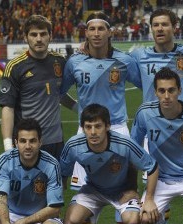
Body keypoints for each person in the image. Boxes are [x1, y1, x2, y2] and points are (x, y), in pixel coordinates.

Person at [129, 8, 183, 224]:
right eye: (156, 25)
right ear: (151, 28)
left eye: (165, 24)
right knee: (154, 194)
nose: (160, 29)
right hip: (155, 129)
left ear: (175, 27)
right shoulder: (139, 56)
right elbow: (139, 81)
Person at [61, 11, 142, 194]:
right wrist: (78, 109)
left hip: (118, 128)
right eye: (92, 29)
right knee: (83, 192)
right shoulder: (74, 62)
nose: (96, 33)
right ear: (86, 33)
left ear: (109, 32)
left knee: (125, 190)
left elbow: (147, 86)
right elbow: (59, 94)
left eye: (100, 29)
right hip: (86, 130)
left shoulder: (124, 61)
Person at [131, 67, 183, 224]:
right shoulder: (145, 114)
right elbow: (133, 150)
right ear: (155, 92)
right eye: (161, 91)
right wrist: (134, 189)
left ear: (180, 90)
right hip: (160, 179)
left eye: (171, 90)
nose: (166, 96)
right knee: (145, 219)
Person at [60, 104, 159, 224]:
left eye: (98, 126)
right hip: (93, 190)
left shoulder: (124, 143)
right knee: (70, 221)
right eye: (88, 127)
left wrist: (147, 198)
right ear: (82, 128)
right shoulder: (73, 146)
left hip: (122, 191)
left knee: (133, 220)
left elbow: (152, 167)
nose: (93, 132)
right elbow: (62, 175)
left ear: (107, 126)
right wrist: (57, 203)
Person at [0, 15, 77, 160]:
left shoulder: (59, 61)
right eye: (33, 34)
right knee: (28, 182)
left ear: (50, 36)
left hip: (56, 141)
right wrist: (8, 146)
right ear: (25, 38)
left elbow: (58, 94)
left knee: (59, 181)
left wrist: (80, 110)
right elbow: (7, 108)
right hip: (28, 143)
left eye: (43, 34)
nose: (39, 39)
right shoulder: (15, 67)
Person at [0, 118, 64, 224]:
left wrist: (22, 222)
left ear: (40, 142)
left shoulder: (51, 165)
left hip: (42, 218)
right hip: (11, 215)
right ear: (16, 143)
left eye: (33, 141)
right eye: (23, 141)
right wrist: (5, 223)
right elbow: (1, 199)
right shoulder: (5, 161)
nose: (28, 146)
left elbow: (54, 208)